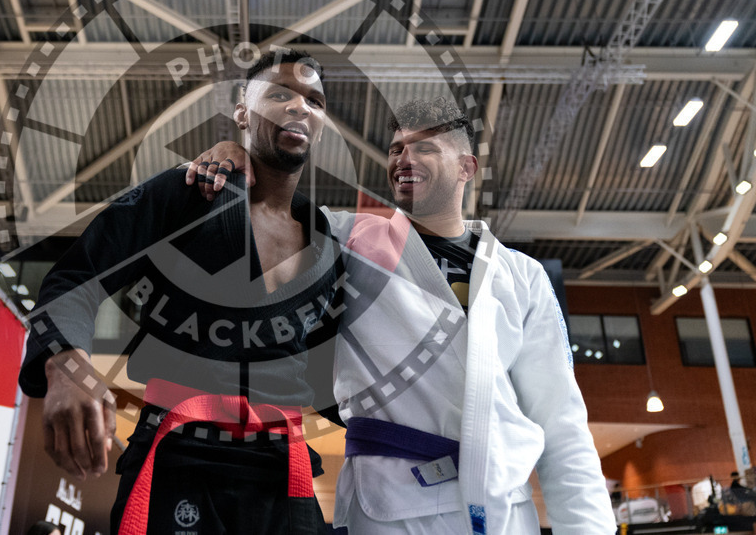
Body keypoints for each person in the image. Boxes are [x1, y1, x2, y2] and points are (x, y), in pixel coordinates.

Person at [187, 97, 616, 534]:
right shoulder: (348, 238)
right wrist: (237, 154)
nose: (404, 158)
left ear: (467, 168)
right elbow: (267, 212)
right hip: (391, 507)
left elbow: (559, 420)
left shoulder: (523, 276)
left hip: (503, 509)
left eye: (425, 147)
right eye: (396, 149)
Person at [19, 49, 348, 535]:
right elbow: (75, 280)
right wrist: (65, 367)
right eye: (280, 94)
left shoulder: (326, 243)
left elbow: (328, 384)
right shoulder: (186, 191)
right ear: (241, 110)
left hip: (285, 475)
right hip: (178, 456)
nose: (301, 108)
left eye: (315, 102)